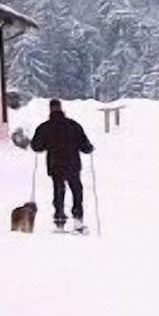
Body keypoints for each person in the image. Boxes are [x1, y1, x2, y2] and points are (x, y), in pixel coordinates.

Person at [31, 98, 94, 232]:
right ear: (61, 108)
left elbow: (36, 147)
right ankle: (78, 221)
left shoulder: (44, 127)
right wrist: (89, 148)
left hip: (55, 165)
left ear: (50, 110)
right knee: (76, 191)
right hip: (73, 165)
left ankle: (59, 220)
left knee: (59, 192)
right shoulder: (73, 125)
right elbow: (85, 146)